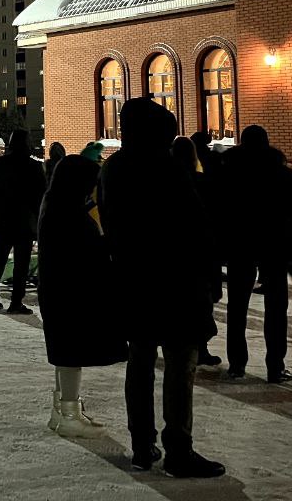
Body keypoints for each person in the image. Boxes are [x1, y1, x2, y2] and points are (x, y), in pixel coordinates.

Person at [98, 98, 224, 478]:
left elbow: (111, 223)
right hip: (176, 284)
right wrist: (209, 276)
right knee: (179, 364)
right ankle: (178, 450)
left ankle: (141, 445)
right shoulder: (167, 168)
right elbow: (195, 227)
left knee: (140, 363)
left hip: (133, 281)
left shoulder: (114, 168)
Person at [38, 154, 127, 437]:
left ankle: (62, 409)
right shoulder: (67, 212)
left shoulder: (57, 204)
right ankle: (68, 413)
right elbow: (84, 251)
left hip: (60, 288)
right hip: (69, 290)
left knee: (65, 351)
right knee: (70, 352)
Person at [221, 124, 292, 383]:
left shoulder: (228, 172)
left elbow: (218, 209)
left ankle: (237, 363)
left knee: (237, 306)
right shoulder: (281, 174)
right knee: (276, 307)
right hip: (274, 245)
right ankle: (275, 365)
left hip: (240, 244)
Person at [171, 136, 223, 367]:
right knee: (200, 304)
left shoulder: (161, 183)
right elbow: (212, 222)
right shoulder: (201, 182)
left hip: (172, 256)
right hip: (198, 256)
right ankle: (198, 348)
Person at [0, 130, 45, 313]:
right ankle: (16, 302)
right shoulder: (33, 166)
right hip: (24, 222)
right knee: (21, 263)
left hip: (3, 219)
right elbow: (40, 194)